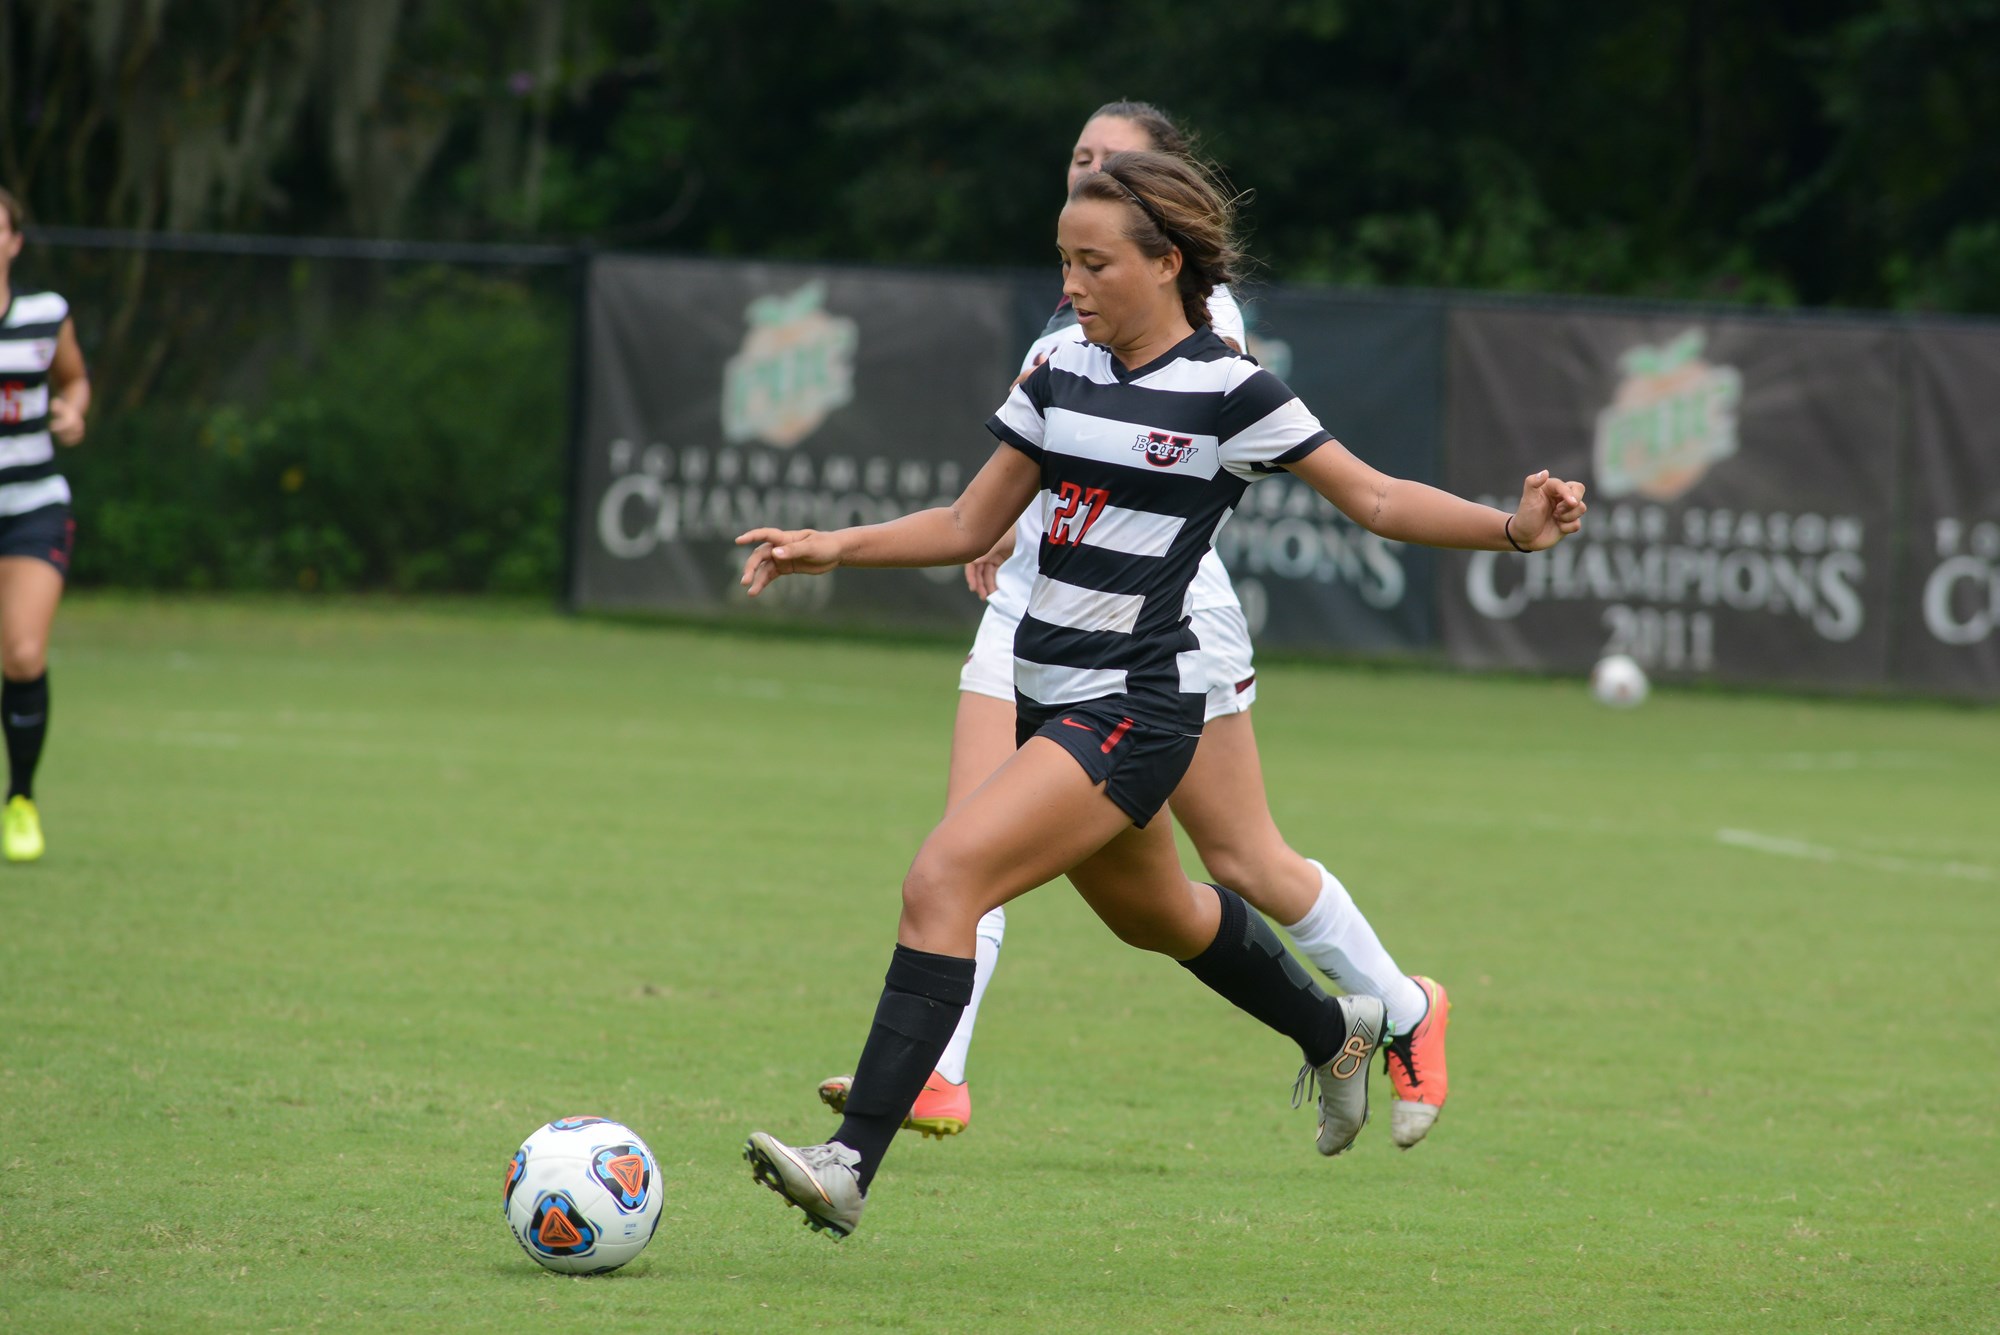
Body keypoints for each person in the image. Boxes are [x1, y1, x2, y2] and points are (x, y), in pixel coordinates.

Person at [736, 148, 1585, 1238]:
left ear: (1165, 264)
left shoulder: (1230, 392)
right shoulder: (1055, 373)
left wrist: (1510, 529)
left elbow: (1372, 498)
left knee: (944, 877)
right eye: (1063, 262)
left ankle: (849, 1166)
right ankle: (1335, 1034)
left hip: (1134, 706)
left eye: (1092, 264)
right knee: (1164, 916)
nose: (1070, 286)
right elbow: (965, 526)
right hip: (1053, 699)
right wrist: (832, 547)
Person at [818, 101, 1453, 1153]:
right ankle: (933, 1072)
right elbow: (1008, 483)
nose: (1090, 179)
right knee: (974, 850)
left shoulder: (1203, 338)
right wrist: (989, 525)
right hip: (1033, 607)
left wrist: (1512, 531)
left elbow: (1331, 487)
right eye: (1078, 161)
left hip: (1156, 628)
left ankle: (1398, 1009)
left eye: (1114, 167)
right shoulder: (1067, 326)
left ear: (1162, 224)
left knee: (1233, 862)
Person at [0, 187, 88, 863]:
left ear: (15, 241)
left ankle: (20, 797)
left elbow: (74, 381)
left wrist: (73, 410)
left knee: (24, 653)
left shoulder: (43, 315)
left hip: (31, 504)